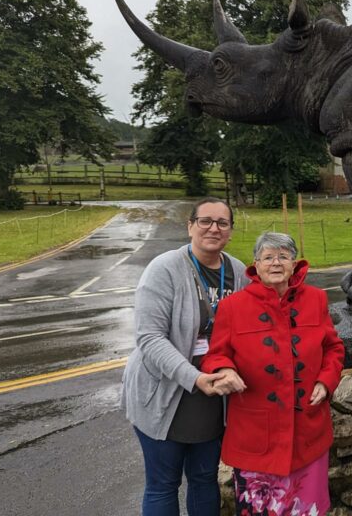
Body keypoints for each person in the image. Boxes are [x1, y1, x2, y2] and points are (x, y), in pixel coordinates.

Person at [201, 231, 345, 515]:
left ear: (294, 264)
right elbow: (216, 355)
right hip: (256, 435)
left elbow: (333, 348)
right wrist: (225, 370)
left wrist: (326, 381)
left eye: (283, 256)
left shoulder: (316, 299)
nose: (276, 263)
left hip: (307, 434)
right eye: (267, 257)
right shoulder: (232, 307)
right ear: (256, 265)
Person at [122, 197, 250, 516]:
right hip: (165, 391)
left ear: (231, 230)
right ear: (190, 226)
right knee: (163, 483)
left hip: (212, 397)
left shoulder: (239, 272)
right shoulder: (164, 268)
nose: (213, 228)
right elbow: (150, 338)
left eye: (222, 222)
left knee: (204, 478)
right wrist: (194, 377)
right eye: (205, 221)